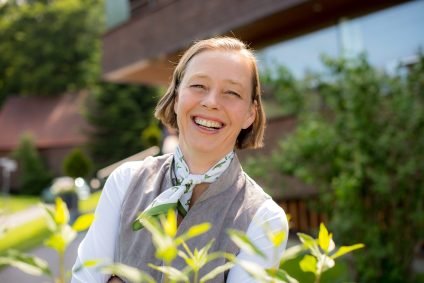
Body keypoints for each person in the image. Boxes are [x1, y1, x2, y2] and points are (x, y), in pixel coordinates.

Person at [72, 36, 288, 283]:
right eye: (198, 86)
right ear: (176, 98)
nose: (211, 102)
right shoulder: (125, 181)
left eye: (232, 92)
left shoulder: (264, 218)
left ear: (250, 113)